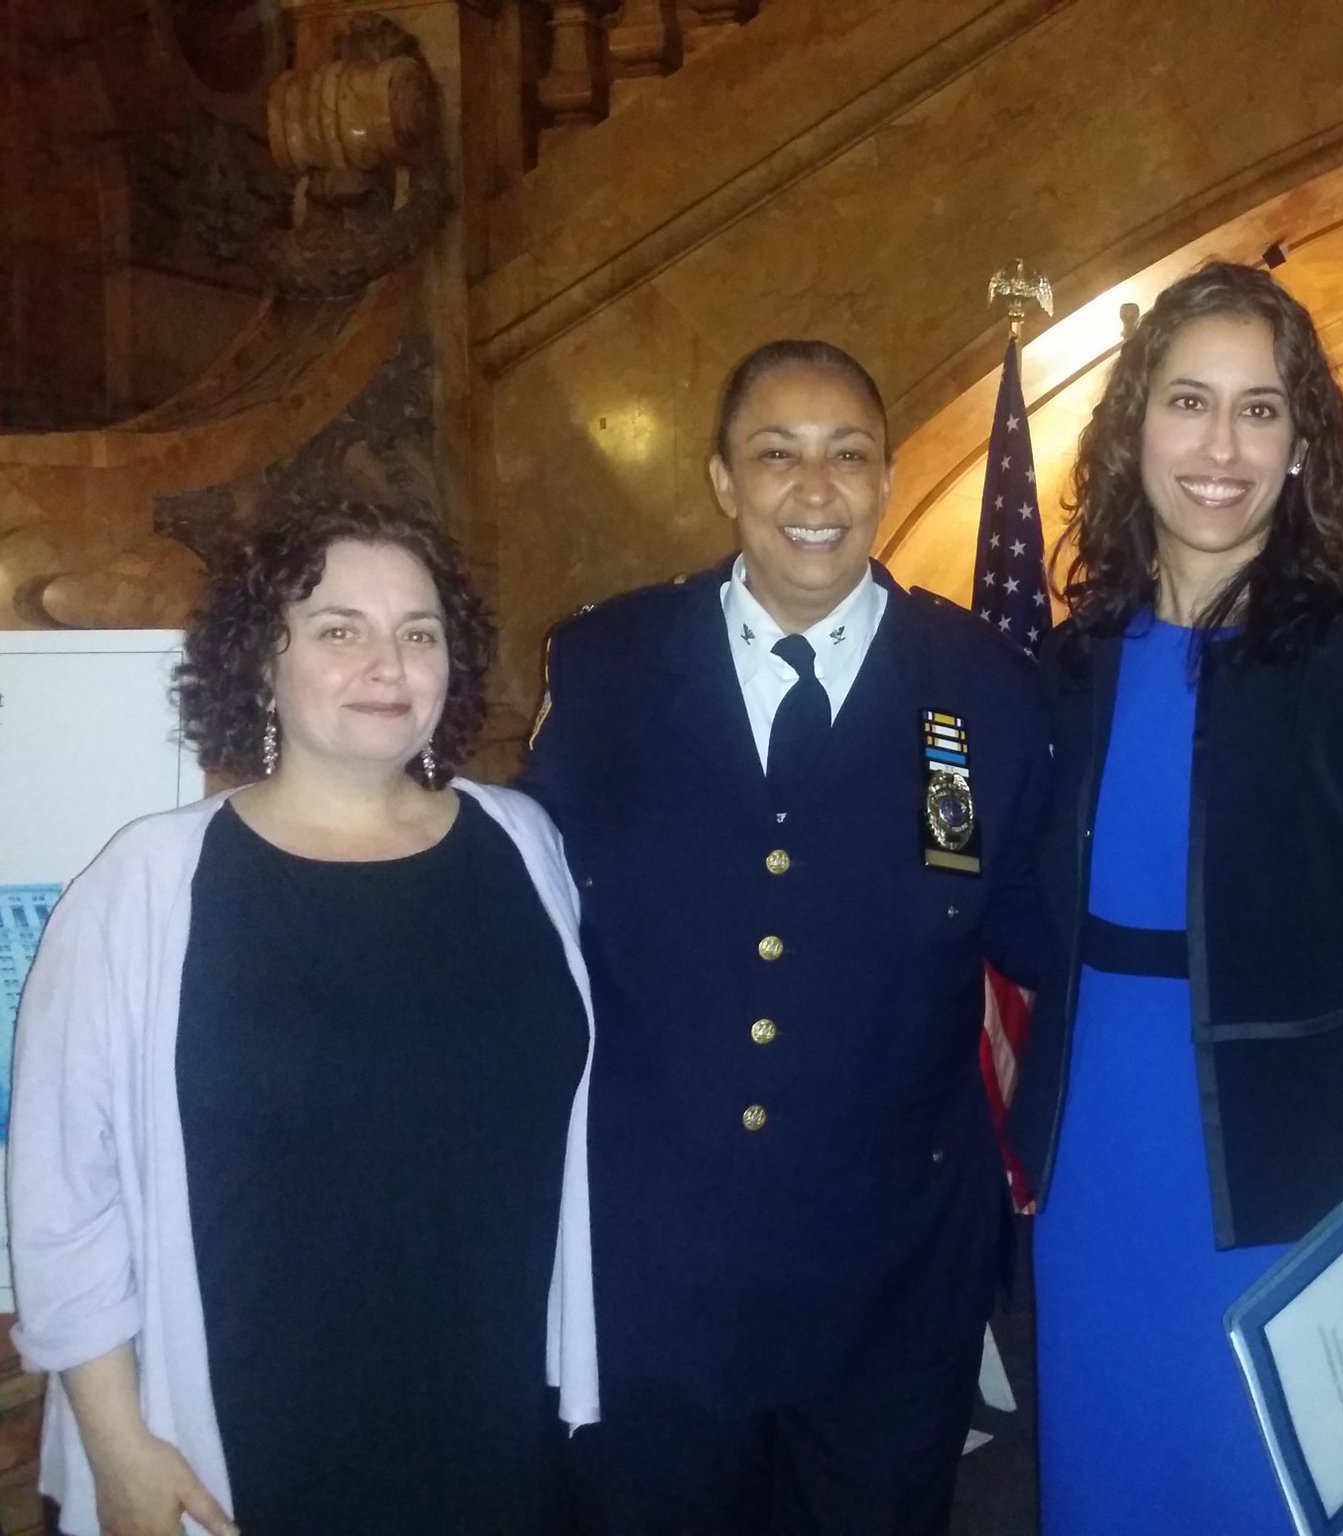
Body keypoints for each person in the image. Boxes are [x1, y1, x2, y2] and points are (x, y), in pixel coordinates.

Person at [1005, 261, 1343, 1535]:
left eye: (1259, 409)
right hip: (1093, 1182)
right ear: (1133, 429)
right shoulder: (1067, 668)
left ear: (1302, 445)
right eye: (1187, 402)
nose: (1220, 448)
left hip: (1306, 1197)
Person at [522, 339, 1050, 1536]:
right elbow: (530, 903)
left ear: (886, 479)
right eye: (776, 454)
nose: (815, 489)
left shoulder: (986, 688)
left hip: (890, 1279)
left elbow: (1035, 931)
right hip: (654, 1270)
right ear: (722, 479)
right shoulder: (608, 664)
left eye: (847, 455)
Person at [9, 498, 599, 1536]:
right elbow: (63, 1187)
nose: (389, 665)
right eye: (338, 630)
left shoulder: (524, 845)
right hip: (251, 1429)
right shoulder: (146, 884)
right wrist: (117, 1441)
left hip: (494, 1408)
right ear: (260, 662)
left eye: (420, 633)